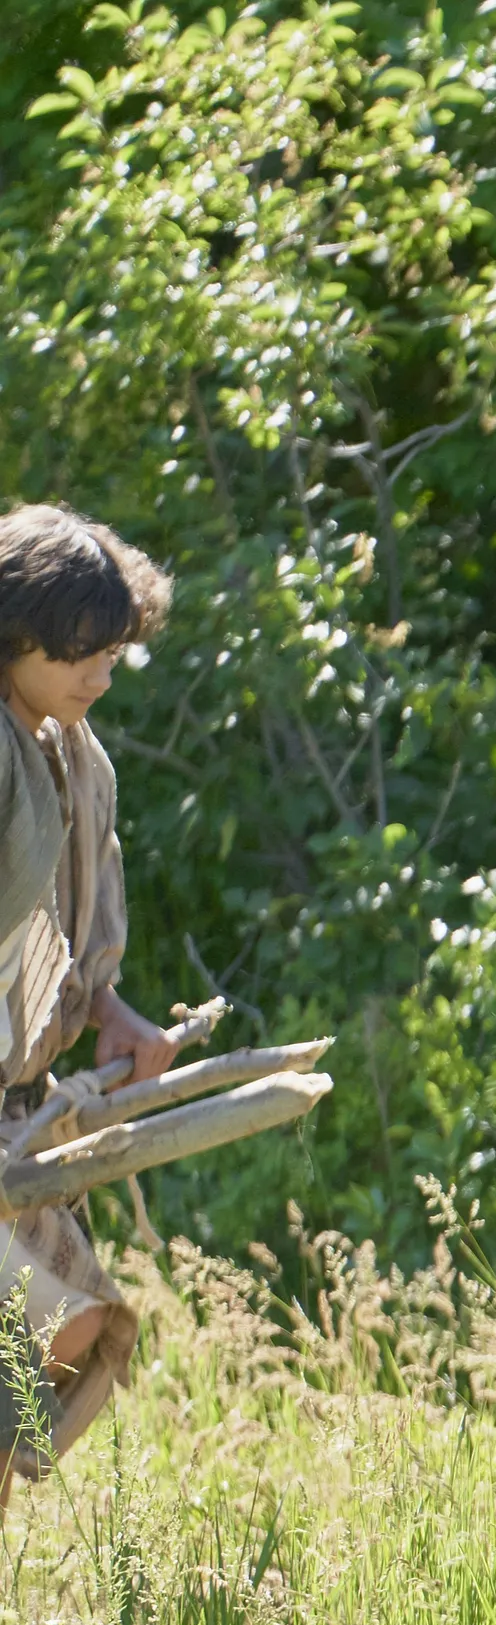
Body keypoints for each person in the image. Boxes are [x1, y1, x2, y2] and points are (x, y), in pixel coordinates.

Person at [0, 504, 189, 1516]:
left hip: (22, 1110)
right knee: (50, 1336)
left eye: (112, 653)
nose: (100, 676)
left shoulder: (73, 746)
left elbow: (75, 921)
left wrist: (110, 1010)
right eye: (78, 652)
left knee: (65, 1346)